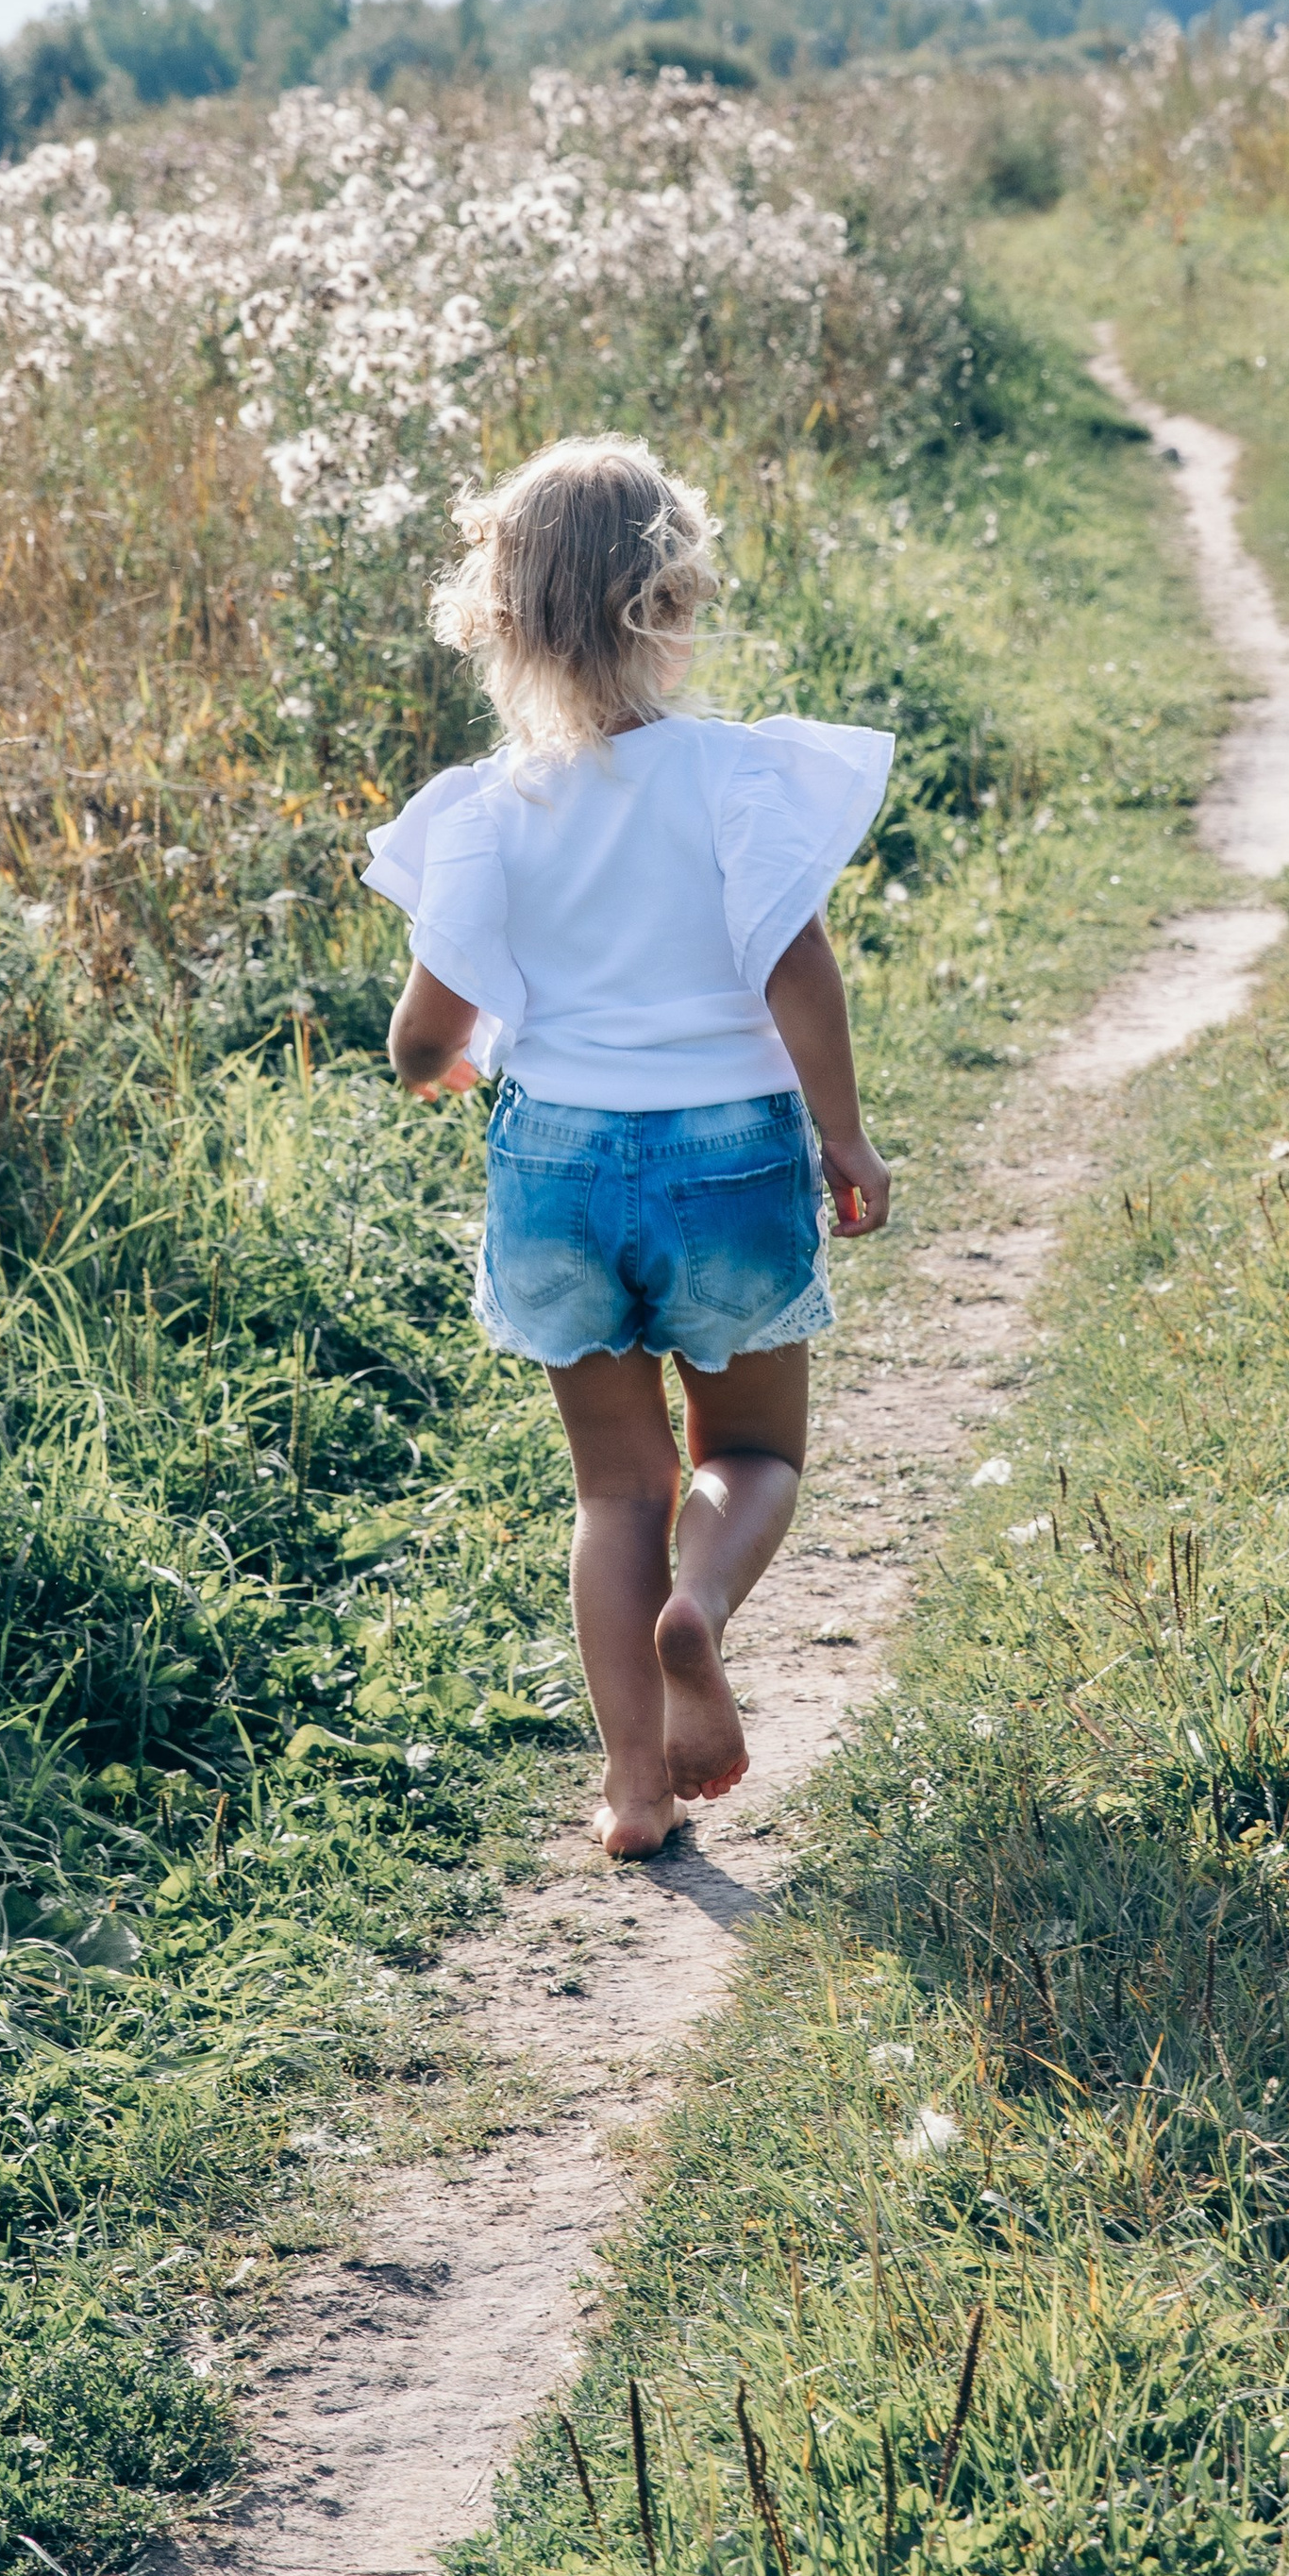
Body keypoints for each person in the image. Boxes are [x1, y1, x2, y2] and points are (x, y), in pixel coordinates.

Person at [366, 434, 895, 1859]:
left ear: (500, 617)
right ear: (676, 600)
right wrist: (841, 1135)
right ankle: (698, 1614)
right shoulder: (735, 780)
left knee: (615, 1487)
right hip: (728, 1155)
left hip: (558, 1165)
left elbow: (424, 1042)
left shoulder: (482, 815)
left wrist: (458, 1068)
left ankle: (636, 1791)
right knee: (756, 1453)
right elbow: (800, 974)